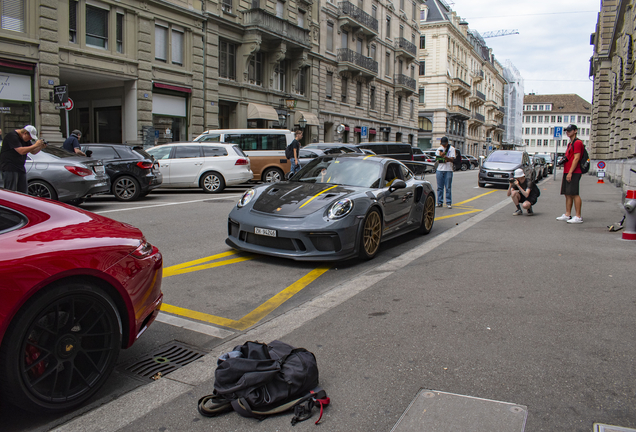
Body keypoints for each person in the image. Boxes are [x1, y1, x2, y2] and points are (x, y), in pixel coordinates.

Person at [0, 125, 47, 193]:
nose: (30, 139)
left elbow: (33, 151)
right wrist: (36, 145)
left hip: (20, 167)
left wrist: (40, 147)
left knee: (23, 192)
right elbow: (21, 151)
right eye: (29, 137)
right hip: (9, 167)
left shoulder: (25, 138)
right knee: (11, 191)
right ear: (25, 133)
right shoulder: (12, 136)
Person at [556, 124, 583, 224]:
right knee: (567, 194)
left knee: (574, 193)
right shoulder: (570, 143)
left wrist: (570, 172)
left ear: (575, 131)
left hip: (574, 171)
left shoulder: (577, 143)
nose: (567, 132)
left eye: (570, 130)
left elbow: (576, 158)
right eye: (566, 130)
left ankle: (578, 216)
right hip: (567, 171)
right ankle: (567, 214)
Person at [435, 136, 455, 208]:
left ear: (447, 143)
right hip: (440, 170)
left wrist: (445, 157)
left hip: (448, 170)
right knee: (439, 187)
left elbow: (452, 159)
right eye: (442, 144)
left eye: (444, 144)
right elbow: (438, 159)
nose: (443, 145)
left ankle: (448, 202)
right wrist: (444, 159)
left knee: (448, 187)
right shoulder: (439, 149)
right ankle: (439, 202)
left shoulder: (452, 149)